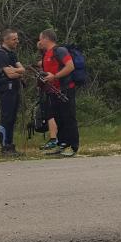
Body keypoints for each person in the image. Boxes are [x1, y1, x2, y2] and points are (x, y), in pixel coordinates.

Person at [37, 29, 80, 157]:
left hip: (65, 89)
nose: (39, 42)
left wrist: (55, 77)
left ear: (46, 38)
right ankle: (62, 144)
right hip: (52, 91)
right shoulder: (46, 54)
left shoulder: (60, 50)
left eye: (40, 39)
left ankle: (73, 146)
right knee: (58, 117)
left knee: (69, 117)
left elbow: (70, 66)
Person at [0, 29, 26, 157]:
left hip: (14, 88)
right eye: (14, 39)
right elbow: (9, 74)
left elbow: (23, 69)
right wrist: (16, 72)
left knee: (12, 118)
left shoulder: (12, 54)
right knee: (6, 117)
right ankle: (4, 147)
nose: (17, 41)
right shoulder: (1, 54)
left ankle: (10, 145)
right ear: (6, 40)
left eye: (17, 38)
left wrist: (16, 71)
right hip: (6, 89)